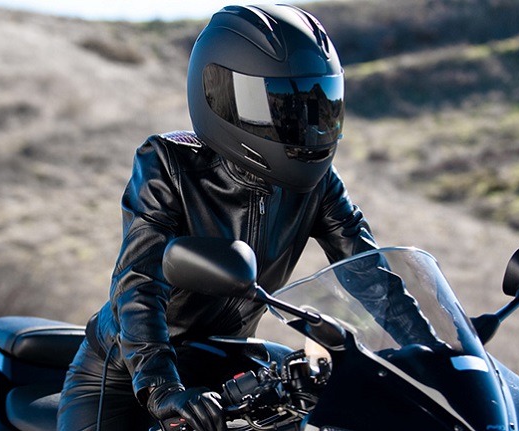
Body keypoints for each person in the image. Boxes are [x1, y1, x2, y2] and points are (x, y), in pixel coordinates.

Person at [58, 4, 379, 430]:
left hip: (229, 368)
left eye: (318, 105)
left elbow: (371, 273)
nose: (307, 127)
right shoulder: (170, 164)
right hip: (128, 375)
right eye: (284, 107)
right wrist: (161, 389)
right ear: (221, 98)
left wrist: (434, 344)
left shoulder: (317, 183)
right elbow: (138, 284)